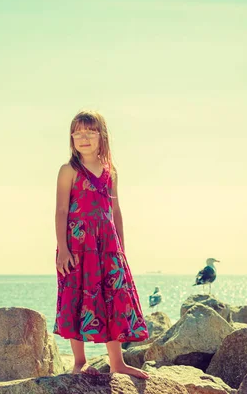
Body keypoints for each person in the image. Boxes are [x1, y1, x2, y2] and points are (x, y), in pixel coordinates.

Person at [53, 110, 149, 379]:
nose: (83, 138)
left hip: (107, 247)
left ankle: (117, 363)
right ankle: (79, 361)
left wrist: (121, 248)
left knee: (113, 299)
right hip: (77, 247)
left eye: (90, 132)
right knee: (76, 296)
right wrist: (63, 248)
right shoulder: (68, 170)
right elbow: (61, 210)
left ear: (101, 136)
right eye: (78, 133)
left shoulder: (111, 172)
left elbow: (115, 210)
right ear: (71, 138)